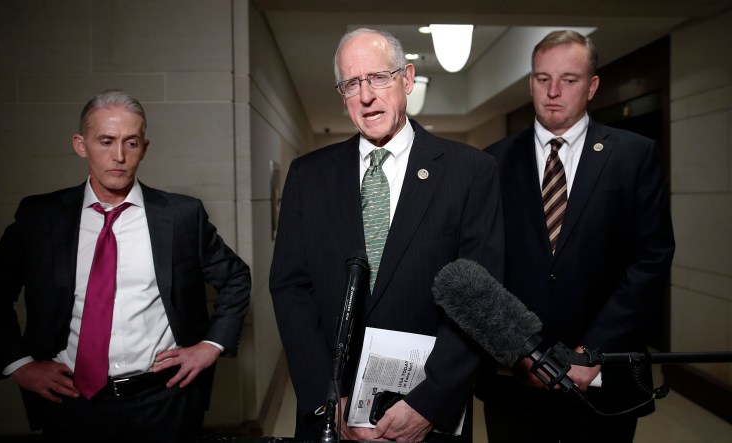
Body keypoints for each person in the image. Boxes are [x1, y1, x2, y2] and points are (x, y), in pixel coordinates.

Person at [0, 89, 251, 441]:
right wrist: (20, 365)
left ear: (144, 149)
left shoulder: (180, 216)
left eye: (131, 143)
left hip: (165, 400)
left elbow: (236, 277)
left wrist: (212, 345)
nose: (119, 156)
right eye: (106, 141)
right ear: (80, 144)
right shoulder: (40, 218)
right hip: (69, 402)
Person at [269, 28, 503, 443]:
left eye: (378, 77)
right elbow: (291, 287)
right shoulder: (308, 176)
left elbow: (479, 299)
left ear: (407, 79)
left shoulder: (470, 172)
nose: (366, 96)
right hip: (332, 413)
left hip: (426, 412)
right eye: (352, 83)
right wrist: (327, 397)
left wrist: (428, 404)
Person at [478, 30, 675, 442]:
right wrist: (522, 351)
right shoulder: (490, 163)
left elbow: (651, 258)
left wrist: (594, 351)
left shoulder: (634, 156)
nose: (553, 91)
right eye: (541, 78)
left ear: (592, 86)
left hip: (606, 375)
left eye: (569, 80)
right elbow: (482, 267)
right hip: (516, 382)